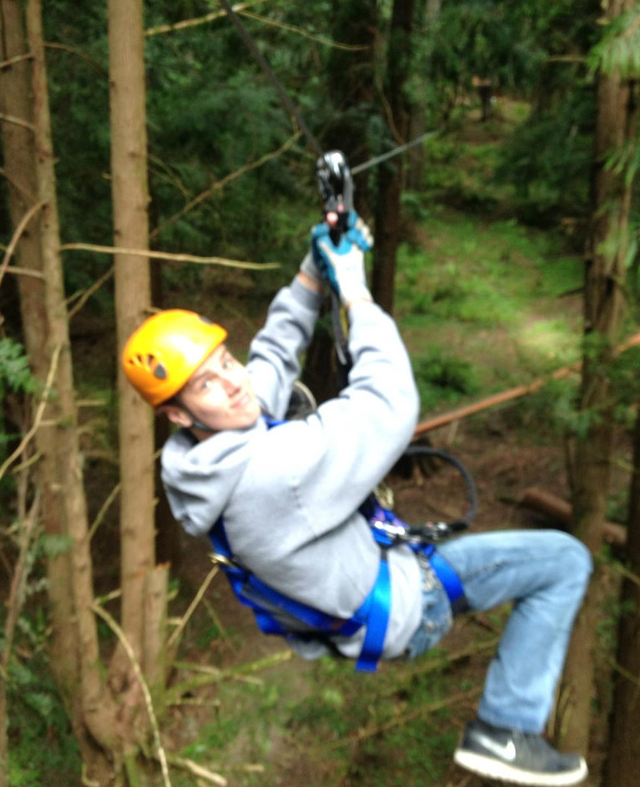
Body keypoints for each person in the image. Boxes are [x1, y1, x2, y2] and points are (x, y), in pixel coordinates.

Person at [121, 216, 593, 786]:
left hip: (371, 597)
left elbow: (270, 359)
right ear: (177, 413)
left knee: (542, 562)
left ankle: (505, 725)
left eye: (224, 361)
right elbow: (389, 403)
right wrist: (355, 291)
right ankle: (505, 730)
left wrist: (311, 274)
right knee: (565, 562)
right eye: (205, 384)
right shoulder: (275, 472)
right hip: (407, 607)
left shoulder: (198, 458)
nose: (232, 381)